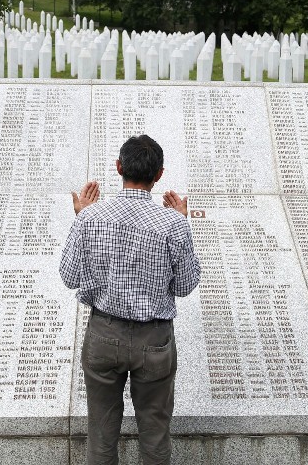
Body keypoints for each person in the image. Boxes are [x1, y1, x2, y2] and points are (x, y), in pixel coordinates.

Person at [60, 134, 201, 465]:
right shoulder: (173, 224)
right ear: (159, 175)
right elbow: (184, 286)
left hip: (104, 335)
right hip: (154, 339)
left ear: (119, 167)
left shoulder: (91, 217)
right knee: (154, 435)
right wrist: (182, 223)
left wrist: (80, 217)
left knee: (101, 434)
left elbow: (69, 277)